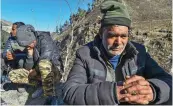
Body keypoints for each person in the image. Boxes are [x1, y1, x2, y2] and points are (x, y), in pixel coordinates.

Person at [63, 0, 172, 105]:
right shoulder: (85, 54)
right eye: (112, 35)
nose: (118, 42)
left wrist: (153, 90)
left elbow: (167, 81)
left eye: (123, 36)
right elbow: (70, 92)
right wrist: (115, 92)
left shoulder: (140, 52)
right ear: (101, 34)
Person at [8, 24, 63, 105]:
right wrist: (30, 55)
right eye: (26, 45)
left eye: (29, 43)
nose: (28, 46)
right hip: (39, 74)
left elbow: (46, 58)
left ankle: (50, 96)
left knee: (43, 64)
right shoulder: (29, 46)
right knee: (13, 74)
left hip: (54, 73)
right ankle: (41, 86)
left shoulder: (44, 39)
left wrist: (35, 70)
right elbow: (28, 68)